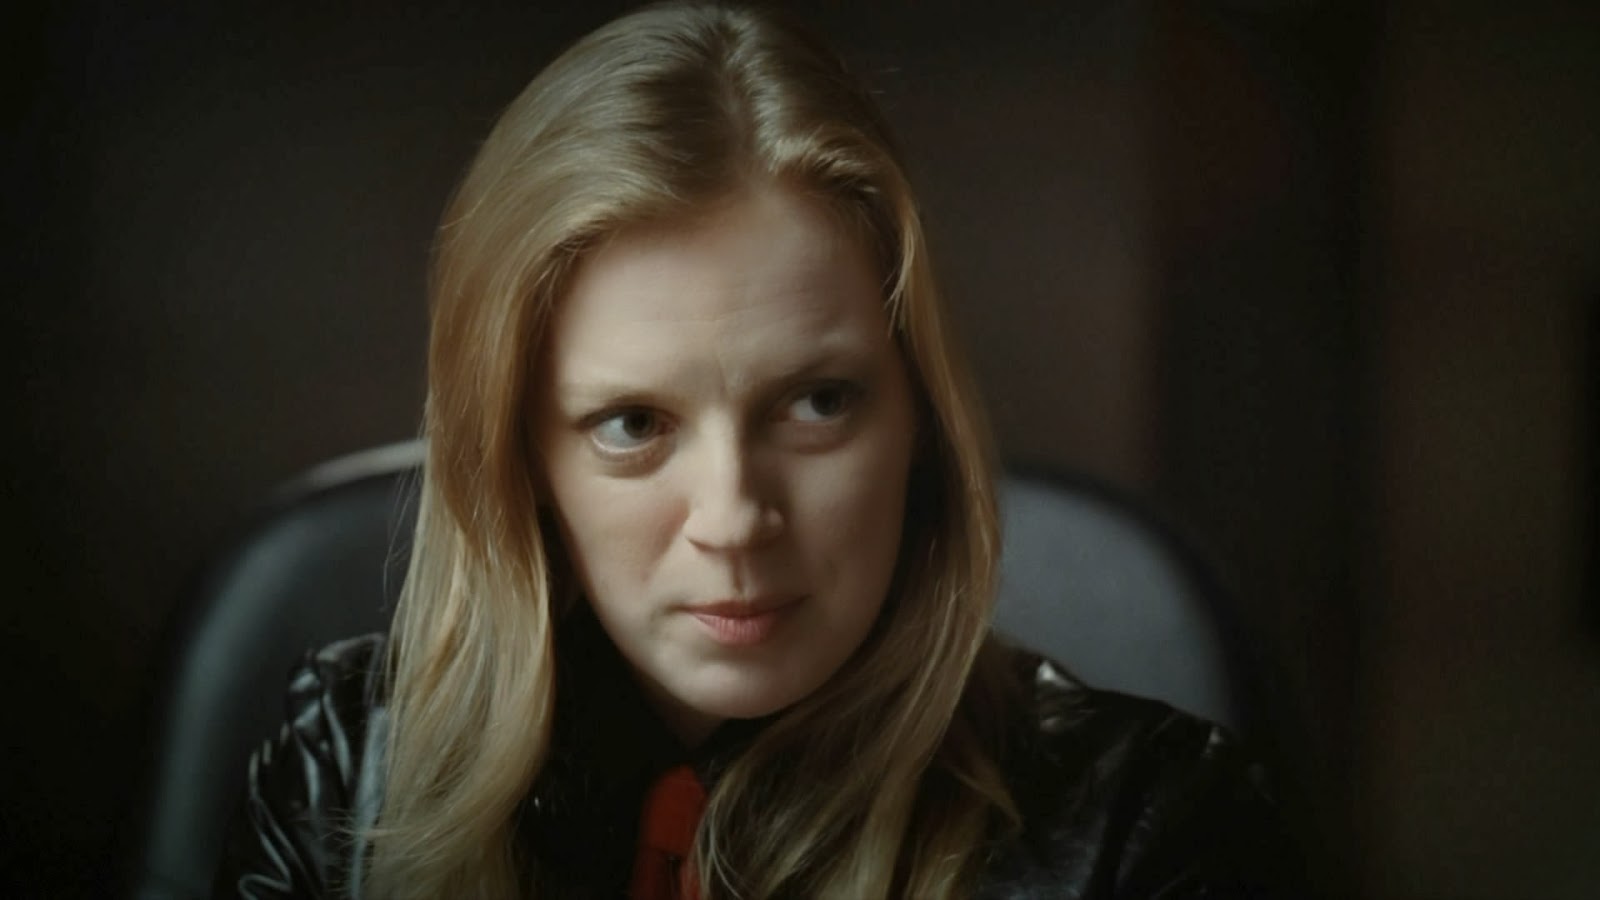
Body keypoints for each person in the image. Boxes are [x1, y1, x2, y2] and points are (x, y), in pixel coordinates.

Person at [214, 3, 1298, 898]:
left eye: (817, 403)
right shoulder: (343, 784)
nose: (733, 518)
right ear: (520, 462)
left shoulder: (1149, 836)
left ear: (921, 423)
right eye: (633, 425)